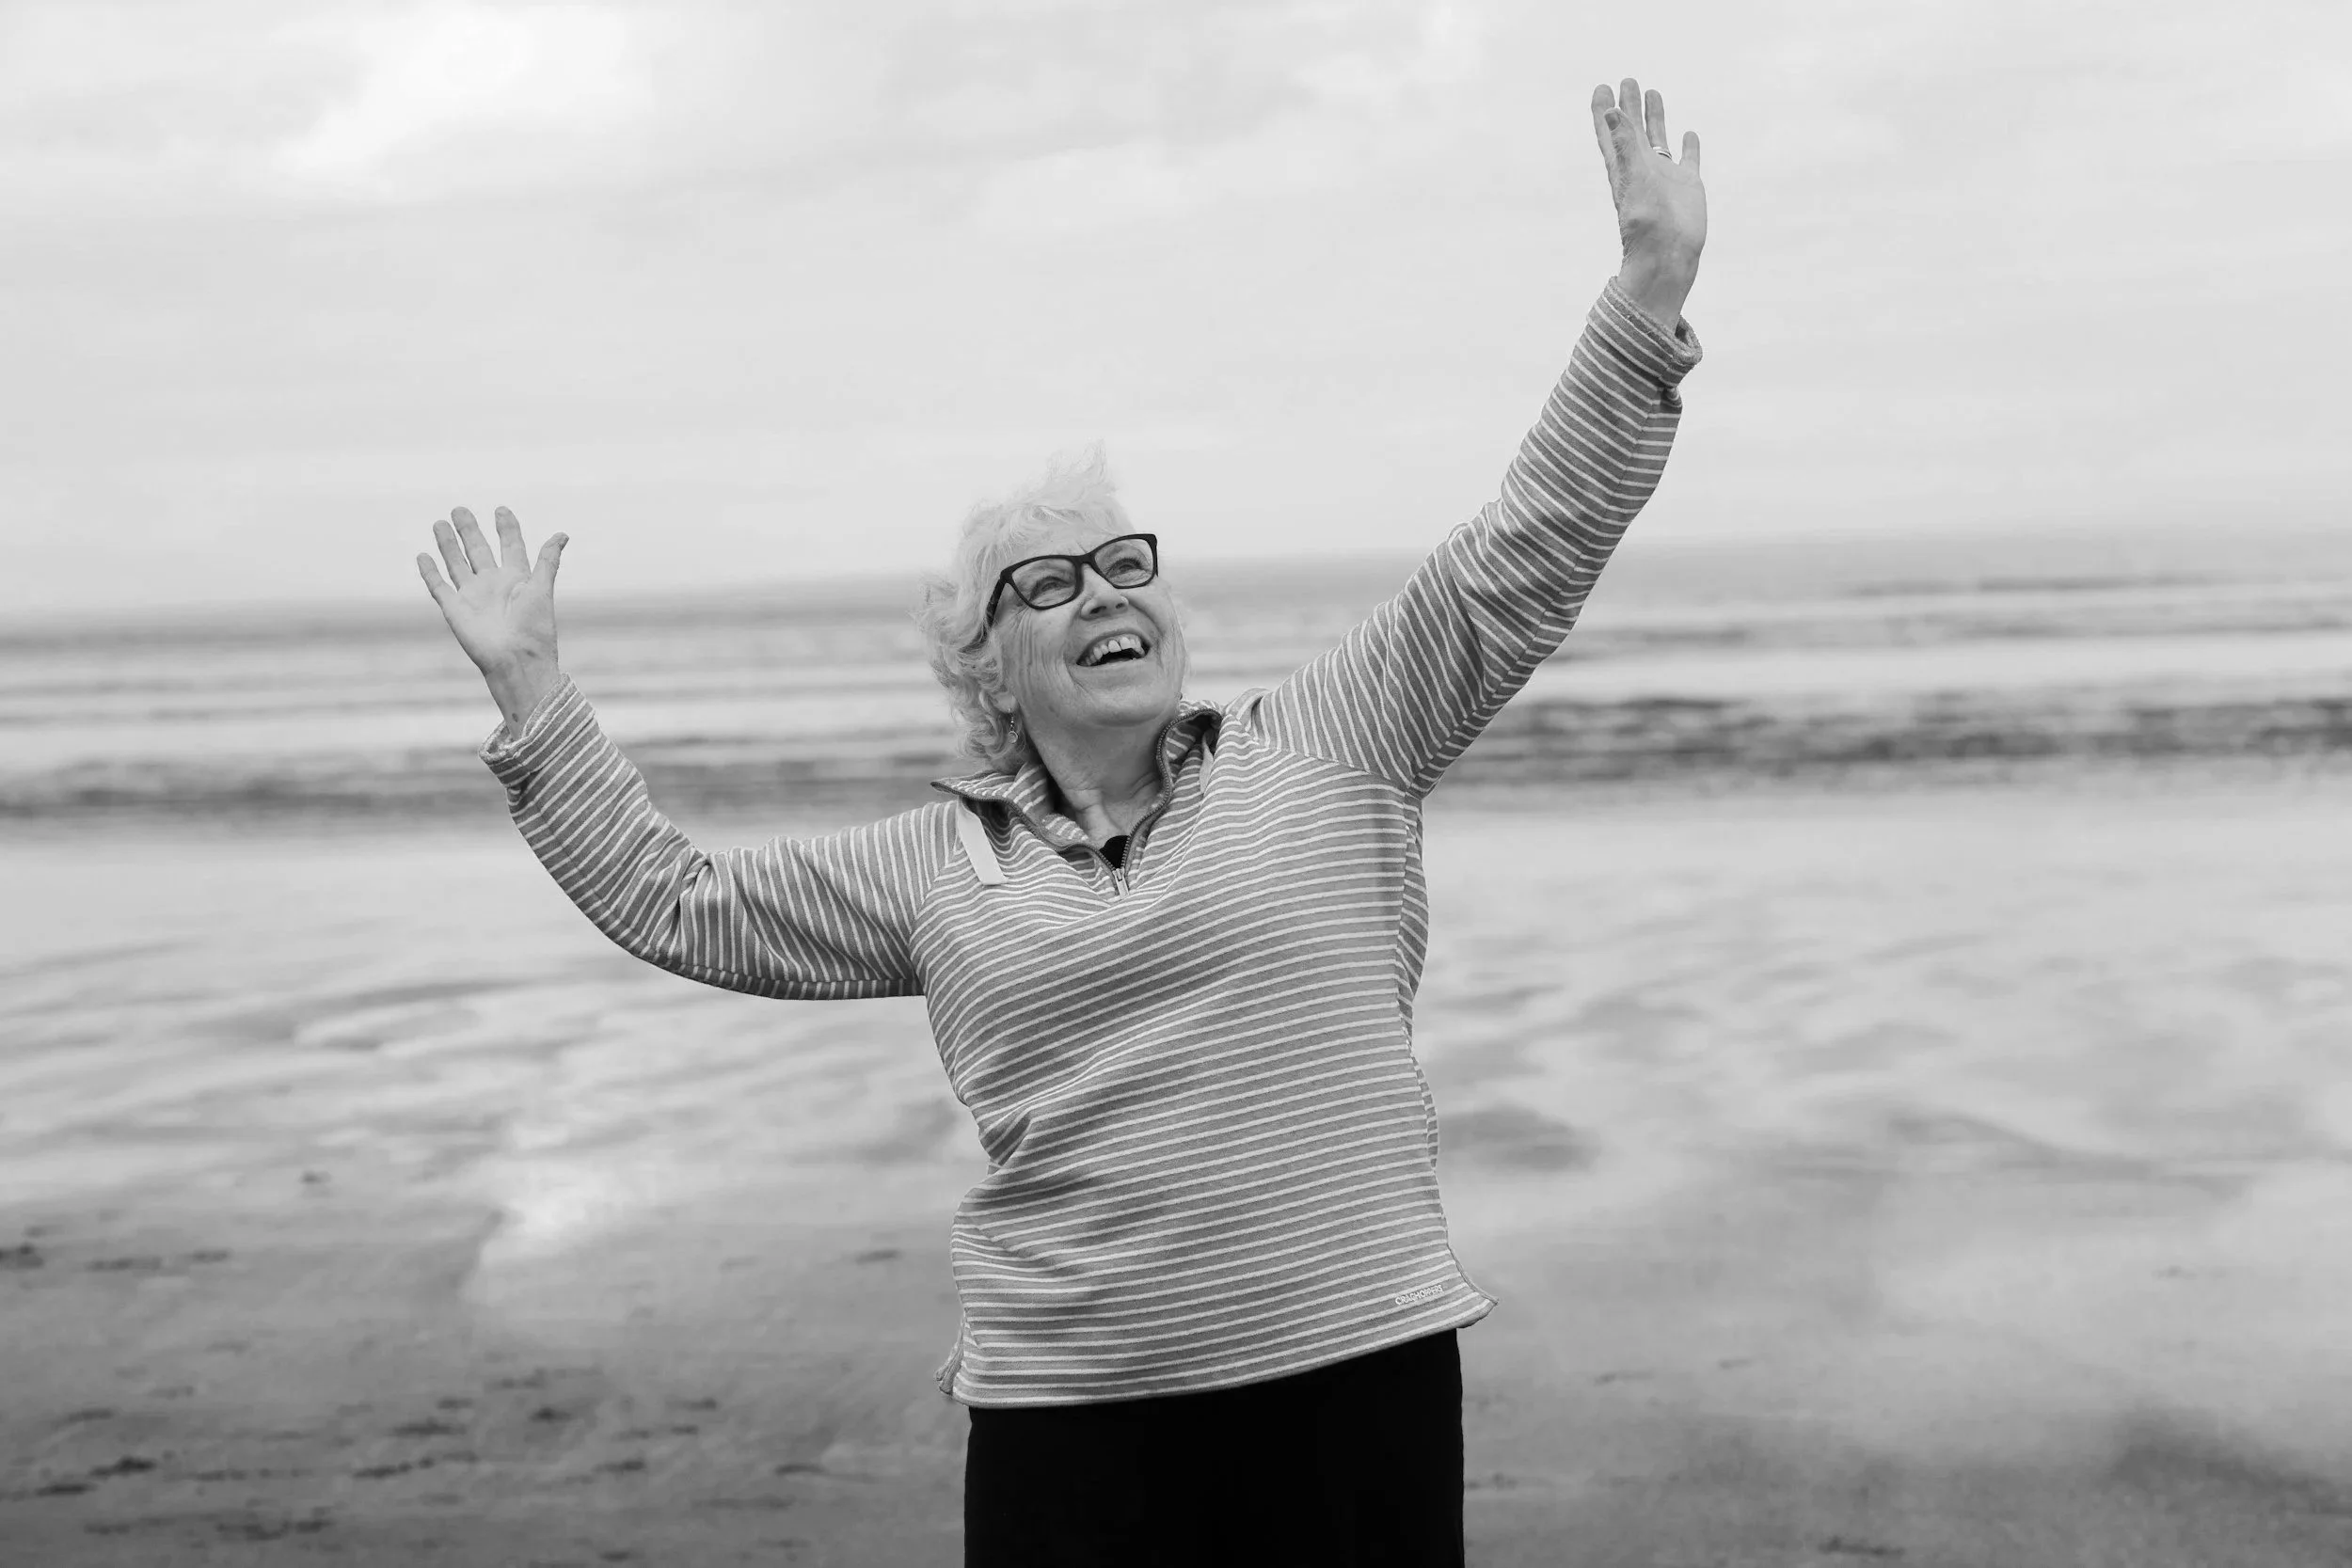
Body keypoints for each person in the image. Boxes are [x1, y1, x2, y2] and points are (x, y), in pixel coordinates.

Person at [418, 76, 1706, 1568]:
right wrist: (532, 691)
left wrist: (1644, 296)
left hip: (1356, 1372)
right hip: (1072, 1415)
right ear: (991, 669)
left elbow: (1520, 554)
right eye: (1050, 582)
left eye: (1125, 560)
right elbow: (675, 897)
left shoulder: (1333, 742)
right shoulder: (933, 863)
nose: (1105, 589)